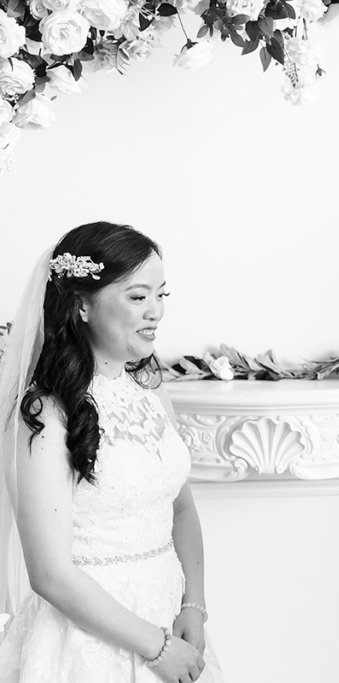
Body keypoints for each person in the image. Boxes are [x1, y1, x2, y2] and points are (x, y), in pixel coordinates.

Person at [0, 222, 225, 682]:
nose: (156, 312)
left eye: (162, 295)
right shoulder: (46, 413)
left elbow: (181, 509)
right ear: (82, 304)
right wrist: (157, 648)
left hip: (170, 619)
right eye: (138, 296)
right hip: (87, 641)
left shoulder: (151, 393)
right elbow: (49, 574)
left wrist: (194, 606)